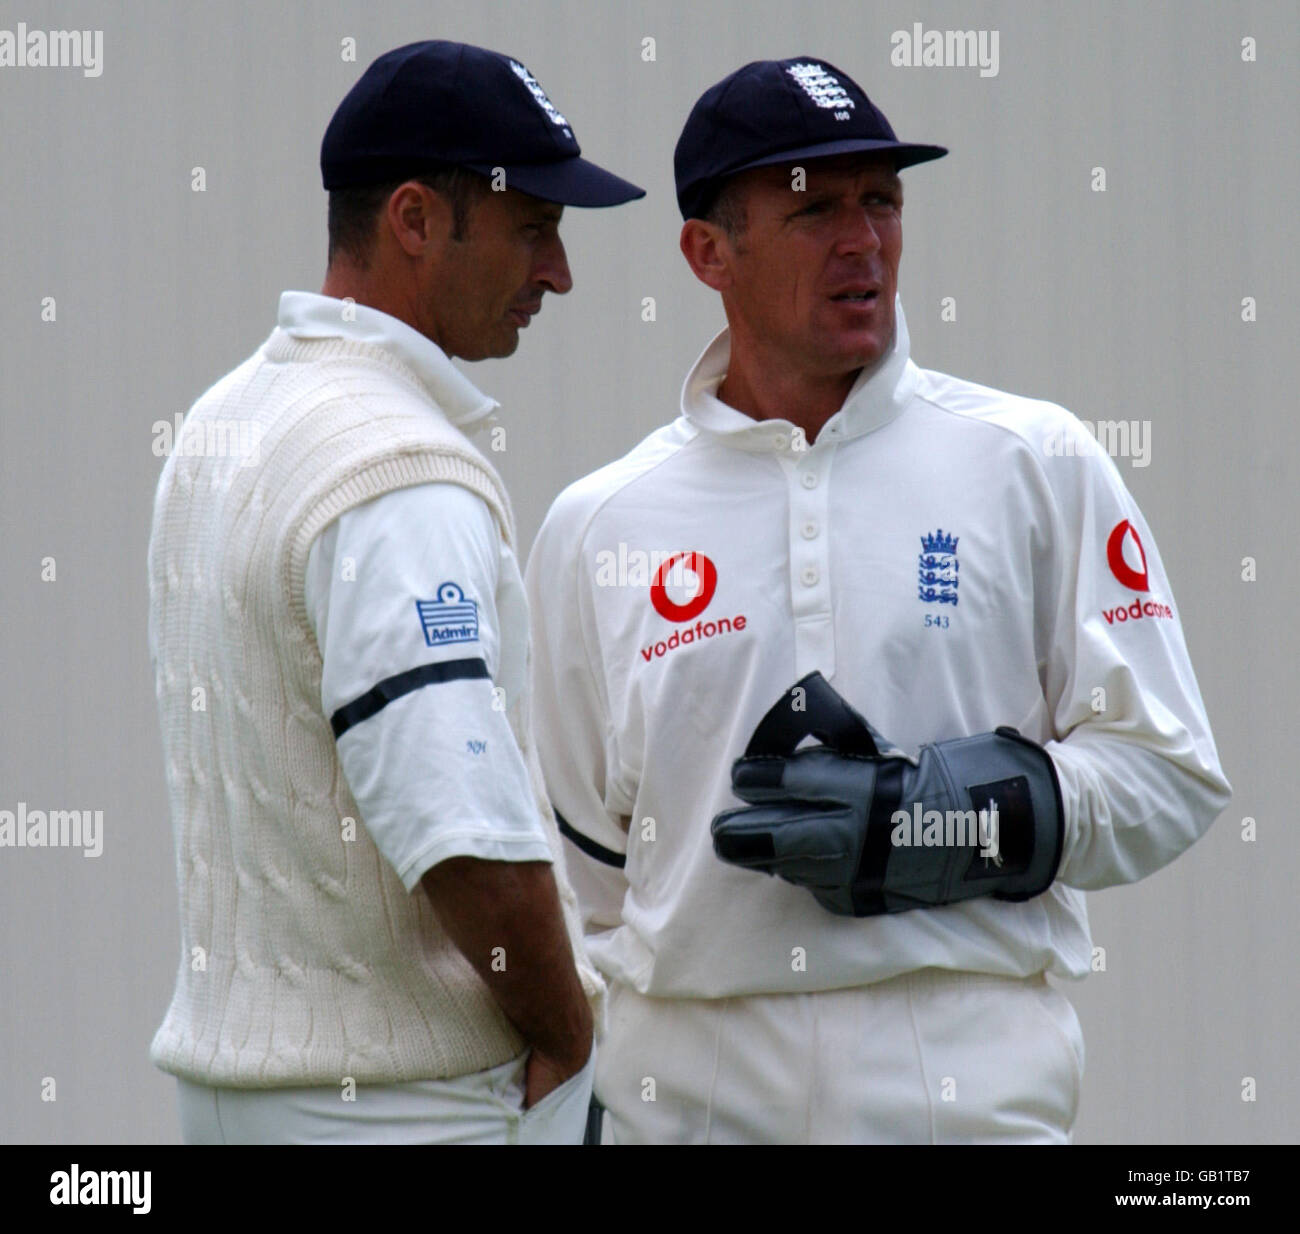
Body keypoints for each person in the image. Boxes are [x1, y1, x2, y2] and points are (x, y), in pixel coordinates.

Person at [525, 56, 1231, 1143]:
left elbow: (1171, 774)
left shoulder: (1031, 460)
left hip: (966, 1101)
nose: (862, 239)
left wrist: (954, 818)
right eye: (814, 207)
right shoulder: (598, 523)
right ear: (708, 251)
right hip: (689, 1108)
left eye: (882, 200)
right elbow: (585, 879)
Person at [146, 39, 643, 1145]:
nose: (558, 272)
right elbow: (463, 831)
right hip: (403, 1109)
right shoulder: (399, 468)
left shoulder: (220, 426)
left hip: (231, 1096)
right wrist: (569, 1032)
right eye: (534, 228)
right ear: (414, 220)